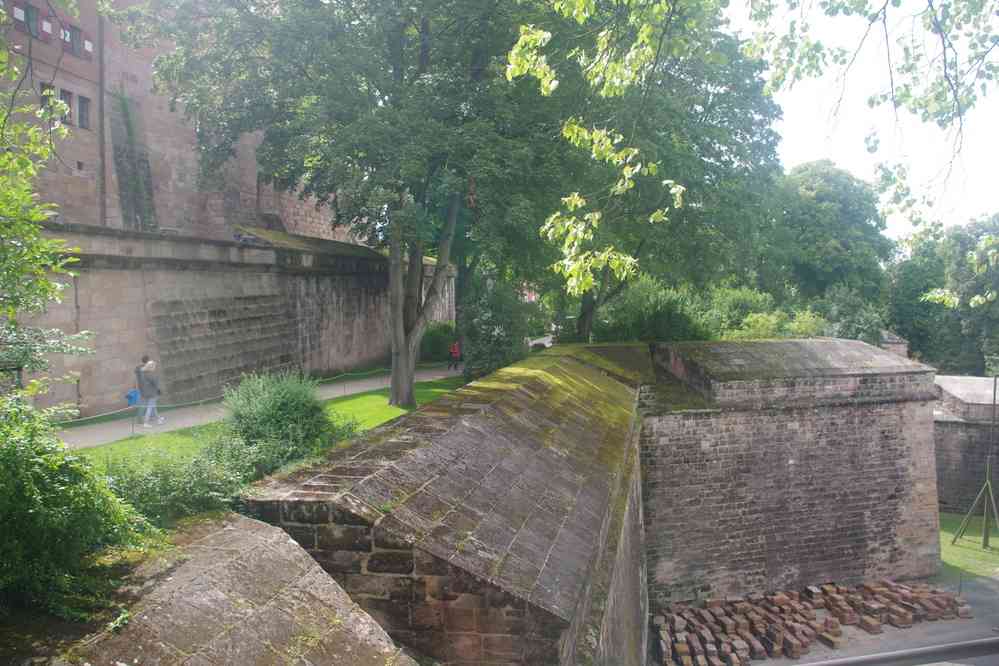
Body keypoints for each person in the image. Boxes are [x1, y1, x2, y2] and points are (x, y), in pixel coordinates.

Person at [135, 355, 164, 427]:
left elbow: (138, 377)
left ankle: (157, 418)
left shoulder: (139, 369)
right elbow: (155, 384)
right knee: (150, 406)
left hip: (143, 389)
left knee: (149, 405)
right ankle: (146, 422)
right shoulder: (150, 373)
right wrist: (159, 390)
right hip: (150, 392)